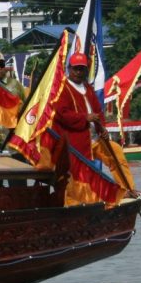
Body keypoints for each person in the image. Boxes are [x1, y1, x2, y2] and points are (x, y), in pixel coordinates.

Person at [48, 51, 103, 201]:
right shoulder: (62, 88)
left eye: (82, 69)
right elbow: (62, 114)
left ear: (86, 70)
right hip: (74, 141)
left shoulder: (88, 88)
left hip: (94, 140)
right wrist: (85, 118)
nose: (78, 72)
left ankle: (126, 190)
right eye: (76, 68)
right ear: (69, 69)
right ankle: (76, 202)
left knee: (116, 155)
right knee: (78, 175)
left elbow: (98, 112)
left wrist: (102, 128)